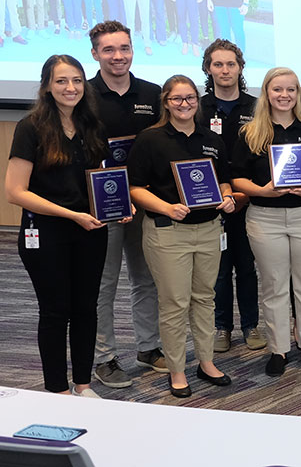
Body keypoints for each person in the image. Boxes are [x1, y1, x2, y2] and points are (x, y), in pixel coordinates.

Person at [5, 55, 113, 398]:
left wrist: (115, 207)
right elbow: (15, 192)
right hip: (47, 233)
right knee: (55, 311)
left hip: (90, 230)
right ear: (47, 86)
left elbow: (100, 179)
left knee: (86, 308)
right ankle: (57, 391)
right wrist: (71, 215)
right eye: (62, 81)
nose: (71, 88)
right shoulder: (30, 127)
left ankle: (83, 385)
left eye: (77, 81)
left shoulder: (92, 125)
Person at [128, 75, 237, 397]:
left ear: (197, 101)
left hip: (207, 230)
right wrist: (166, 207)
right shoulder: (150, 139)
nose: (184, 104)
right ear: (166, 102)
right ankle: (177, 369)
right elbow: (134, 189)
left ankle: (206, 362)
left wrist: (227, 197)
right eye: (177, 99)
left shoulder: (211, 139)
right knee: (175, 303)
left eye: (190, 98)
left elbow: (225, 182)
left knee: (205, 298)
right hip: (168, 231)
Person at [231, 68, 301, 377]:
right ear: (267, 92)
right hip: (266, 217)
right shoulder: (251, 132)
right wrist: (260, 191)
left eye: (291, 90)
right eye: (278, 89)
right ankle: (278, 349)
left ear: (298, 93)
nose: (285, 95)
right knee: (275, 285)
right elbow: (237, 177)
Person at [88, 20, 165, 388]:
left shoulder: (152, 94)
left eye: (124, 48)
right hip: (101, 207)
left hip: (144, 199)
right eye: (109, 50)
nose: (118, 56)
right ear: (95, 54)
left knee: (145, 277)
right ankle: (104, 357)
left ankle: (148, 347)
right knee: (103, 283)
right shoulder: (83, 96)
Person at [199, 40, 266, 353]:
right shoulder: (196, 108)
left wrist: (245, 193)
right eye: (217, 64)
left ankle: (251, 325)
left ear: (240, 67)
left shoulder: (257, 107)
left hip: (249, 199)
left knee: (248, 267)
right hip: (210, 203)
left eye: (231, 64)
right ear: (208, 68)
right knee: (220, 270)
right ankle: (222, 327)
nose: (224, 70)